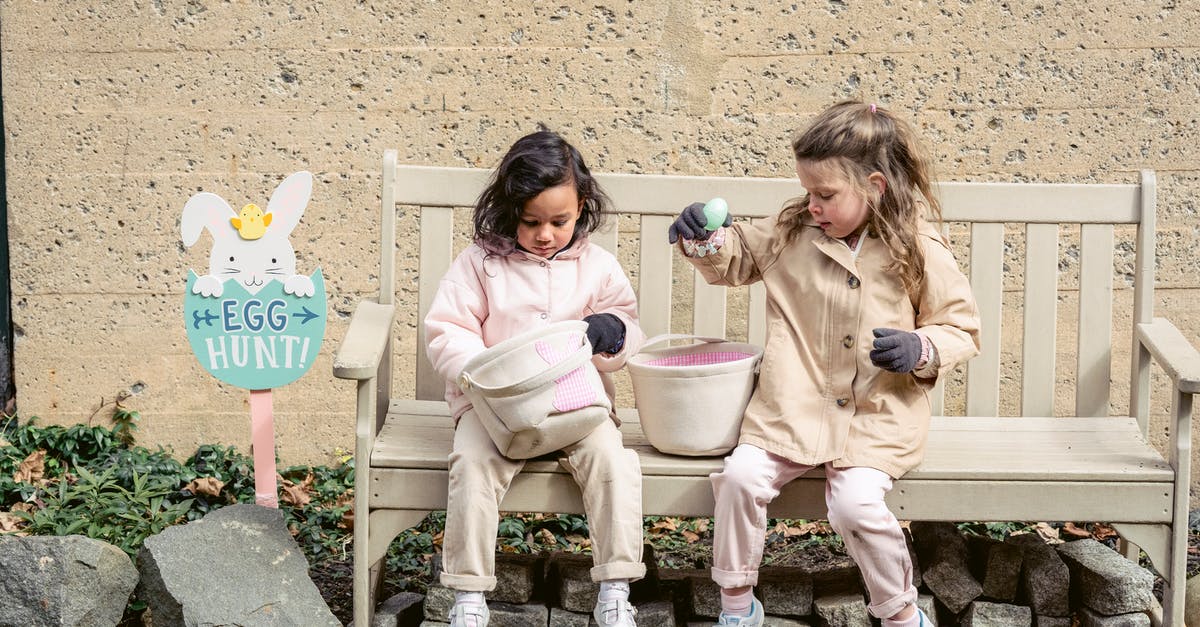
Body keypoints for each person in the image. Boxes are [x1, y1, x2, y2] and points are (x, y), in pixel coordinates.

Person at [668, 101, 981, 627]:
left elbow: (960, 326)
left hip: (876, 415)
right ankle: (737, 606)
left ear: (875, 186)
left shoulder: (917, 246)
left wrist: (919, 348)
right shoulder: (793, 230)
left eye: (826, 194)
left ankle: (901, 614)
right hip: (793, 405)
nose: (812, 204)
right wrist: (704, 237)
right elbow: (737, 256)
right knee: (741, 477)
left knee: (856, 506)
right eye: (808, 191)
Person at [425, 130, 646, 627]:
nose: (545, 234)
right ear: (509, 211)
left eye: (559, 221)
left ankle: (614, 588)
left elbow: (628, 329)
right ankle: (468, 596)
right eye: (531, 222)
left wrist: (612, 333)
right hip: (495, 410)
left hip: (578, 406)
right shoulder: (480, 264)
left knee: (615, 464)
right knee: (472, 466)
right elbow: (447, 332)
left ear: (581, 205)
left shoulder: (597, 267)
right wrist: (480, 377)